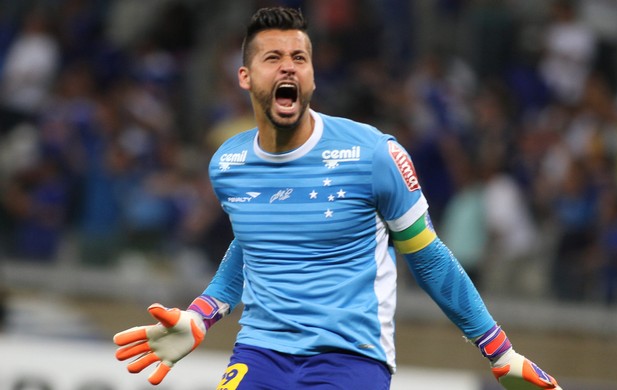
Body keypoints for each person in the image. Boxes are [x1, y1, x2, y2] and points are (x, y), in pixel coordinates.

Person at [113, 7, 562, 390]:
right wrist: (200, 315)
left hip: (350, 358)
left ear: (312, 75)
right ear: (246, 77)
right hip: (260, 353)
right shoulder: (227, 164)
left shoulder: (373, 154)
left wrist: (500, 352)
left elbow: (430, 260)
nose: (289, 67)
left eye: (300, 58)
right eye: (274, 57)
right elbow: (253, 244)